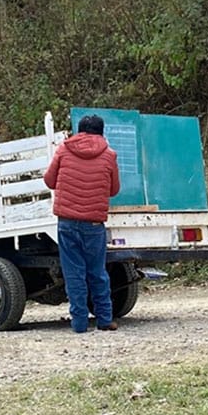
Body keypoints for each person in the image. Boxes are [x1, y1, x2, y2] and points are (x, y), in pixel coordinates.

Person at [44, 115, 121, 333]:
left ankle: (79, 324)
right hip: (94, 224)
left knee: (73, 274)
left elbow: (49, 181)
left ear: (78, 131)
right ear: (101, 132)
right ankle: (105, 320)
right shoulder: (109, 155)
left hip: (67, 222)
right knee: (97, 272)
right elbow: (114, 190)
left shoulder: (63, 150)